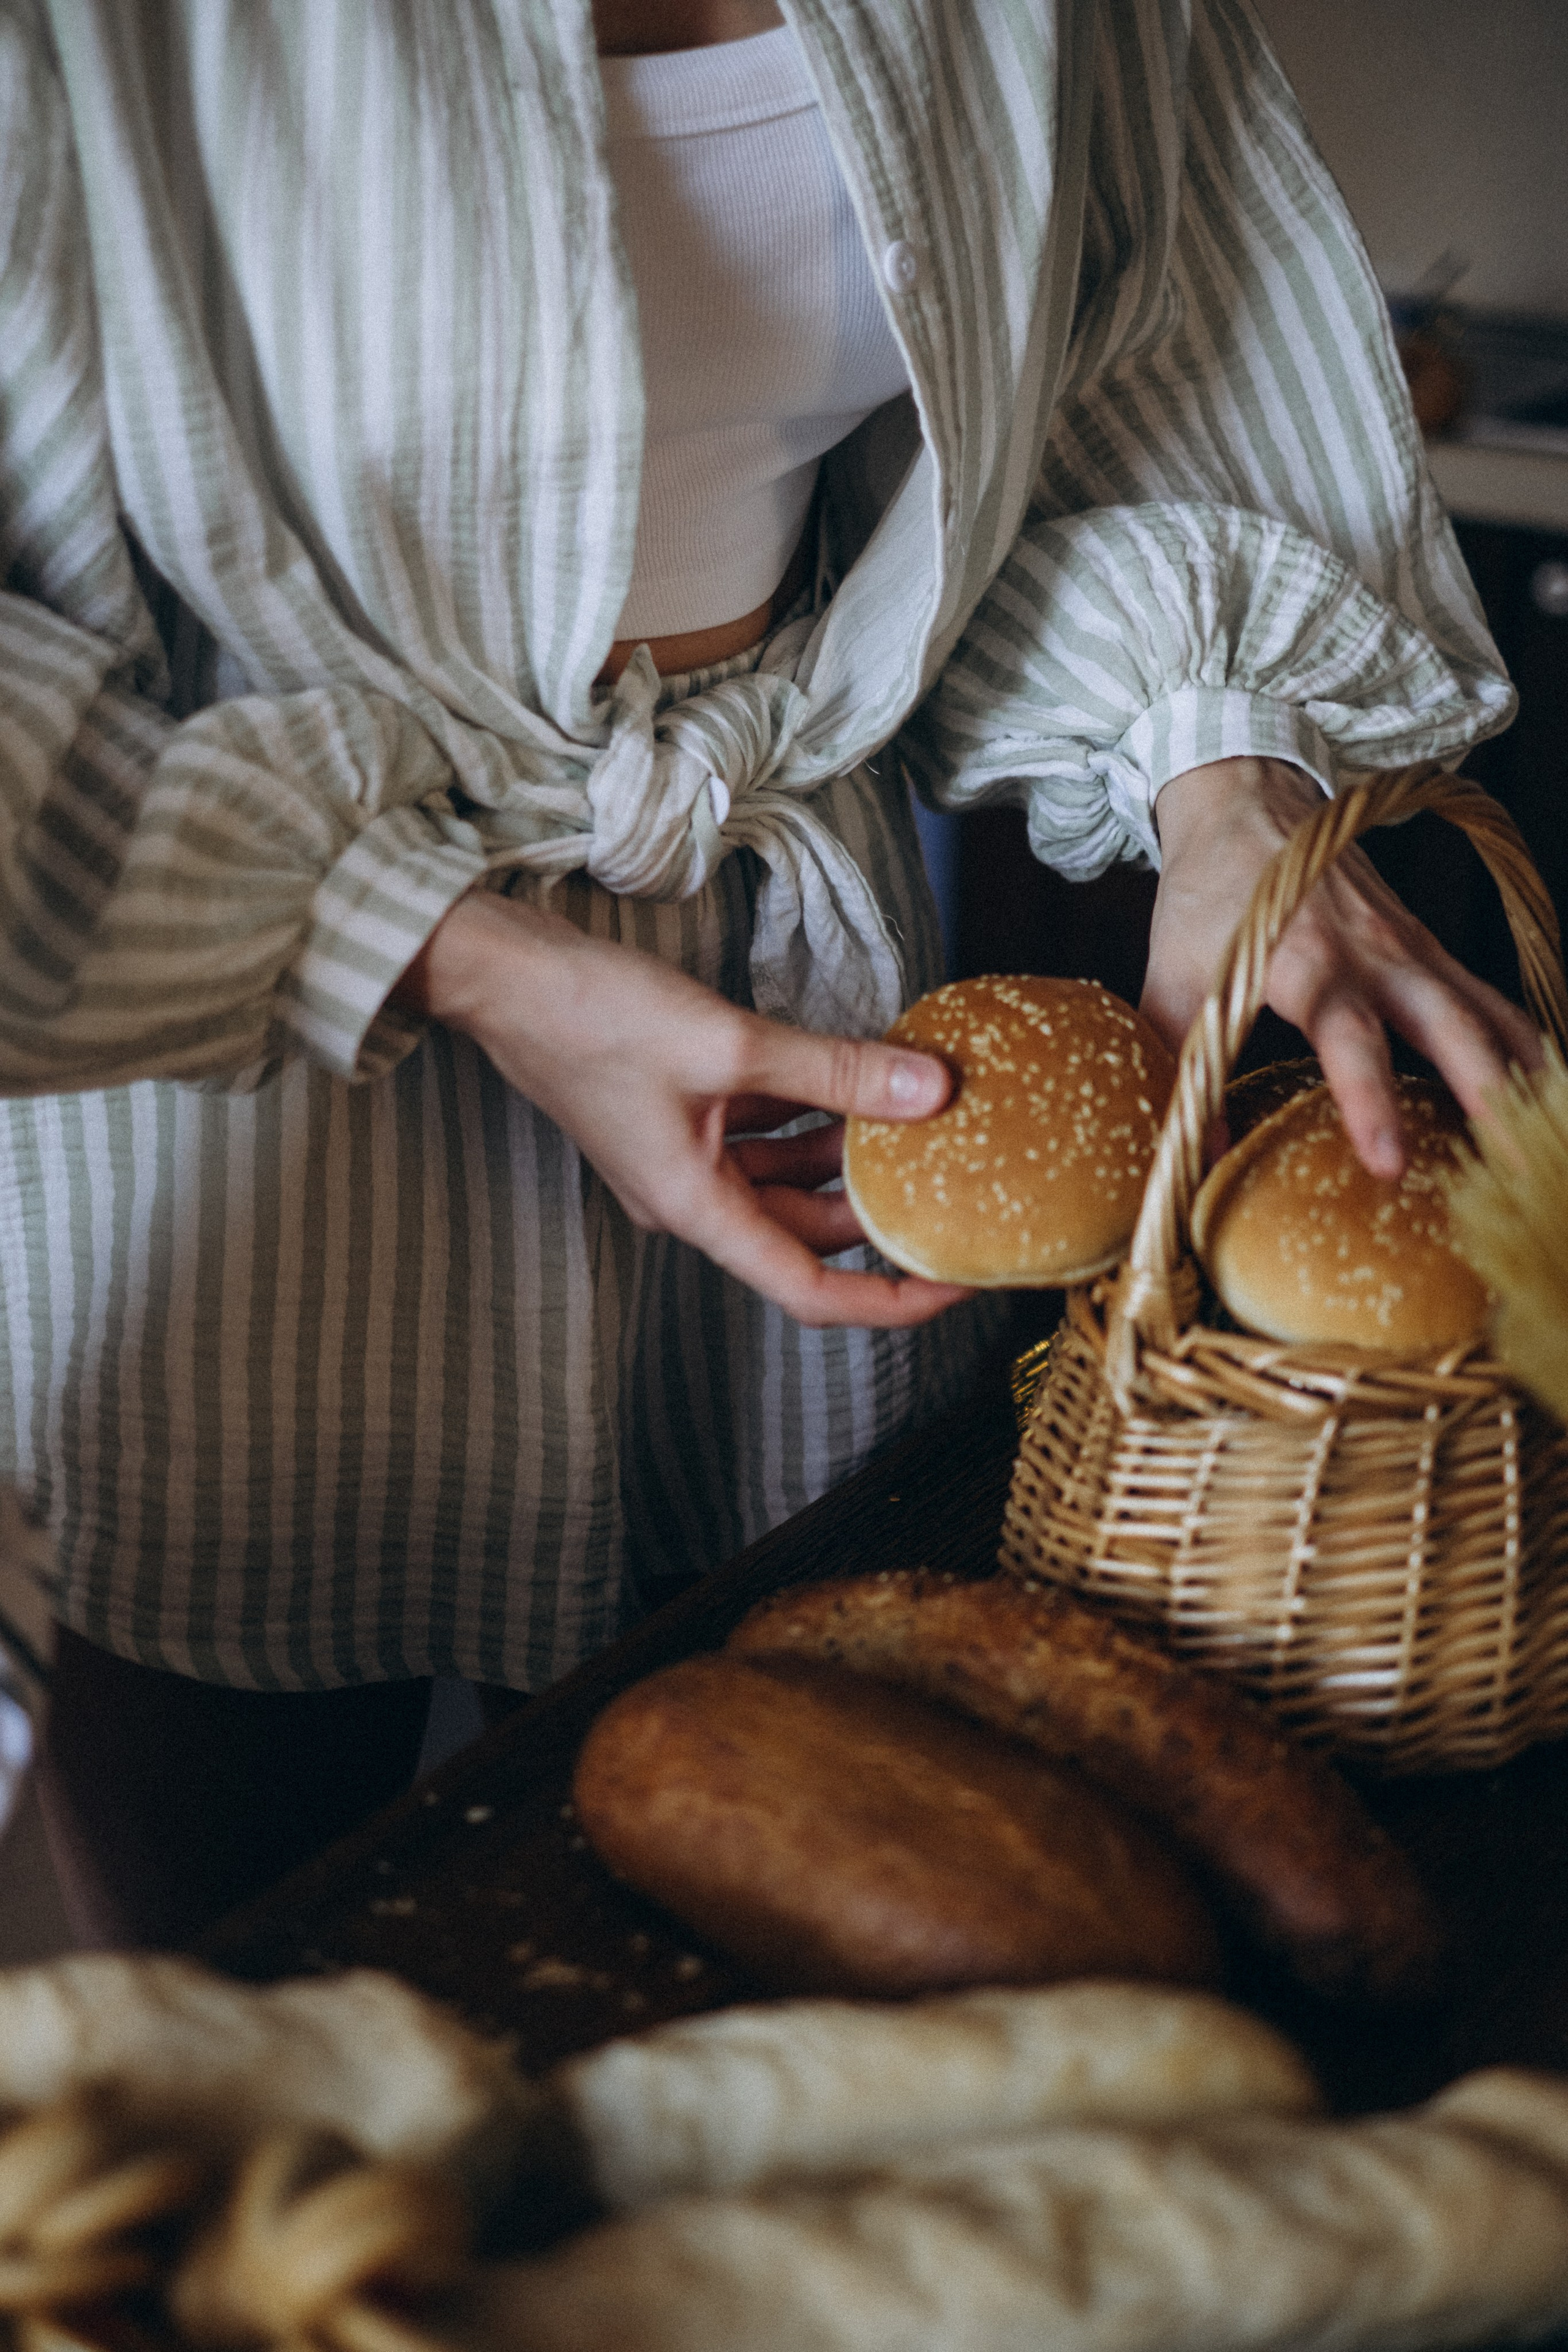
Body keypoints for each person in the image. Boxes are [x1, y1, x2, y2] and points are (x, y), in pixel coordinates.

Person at [0, 0, 1536, 1945]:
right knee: (240, 1976)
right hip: (243, 1037)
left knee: (804, 1880)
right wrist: (433, 940)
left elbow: (1161, 344)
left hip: (797, 1019)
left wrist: (1227, 780)